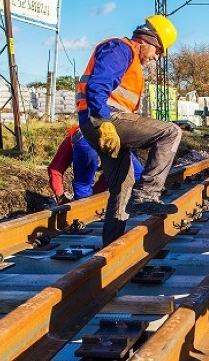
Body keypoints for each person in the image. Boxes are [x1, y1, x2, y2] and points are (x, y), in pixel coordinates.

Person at [77, 15, 182, 247]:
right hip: (106, 120)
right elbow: (97, 86)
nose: (156, 58)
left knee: (122, 188)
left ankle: (112, 249)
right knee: (171, 132)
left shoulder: (129, 57)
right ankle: (146, 194)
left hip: (105, 125)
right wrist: (103, 122)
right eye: (158, 51)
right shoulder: (120, 49)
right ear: (146, 40)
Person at [47, 126, 143, 204]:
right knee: (139, 177)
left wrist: (60, 196)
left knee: (83, 184)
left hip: (87, 142)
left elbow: (55, 169)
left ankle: (82, 211)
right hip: (108, 140)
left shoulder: (74, 137)